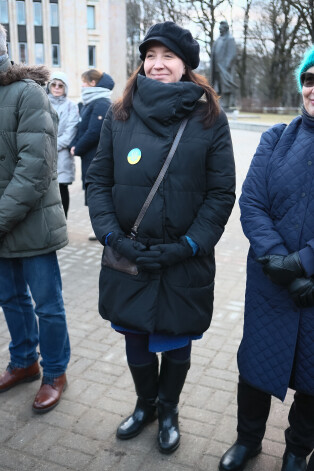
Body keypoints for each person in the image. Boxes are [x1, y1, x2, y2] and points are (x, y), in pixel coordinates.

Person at [86, 21, 235, 454]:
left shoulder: (210, 118)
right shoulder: (119, 114)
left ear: (186, 65)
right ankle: (145, 404)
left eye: (168, 56)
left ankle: (168, 409)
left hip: (183, 258)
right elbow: (98, 183)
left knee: (175, 338)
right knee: (134, 336)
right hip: (128, 255)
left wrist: (188, 245)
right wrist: (113, 237)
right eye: (150, 55)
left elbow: (221, 192)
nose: (157, 64)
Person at [219, 46, 314, 471]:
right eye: (310, 78)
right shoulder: (275, 137)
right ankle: (247, 440)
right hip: (270, 280)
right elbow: (252, 202)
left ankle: (297, 450)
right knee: (256, 364)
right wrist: (280, 261)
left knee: (313, 379)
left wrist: (304, 263)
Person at [0, 24, 70, 413]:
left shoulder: (27, 92)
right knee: (10, 299)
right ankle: (24, 362)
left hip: (31, 222)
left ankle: (56, 372)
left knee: (47, 304)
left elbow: (35, 169)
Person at [70, 69, 114, 214]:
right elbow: (81, 128)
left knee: (96, 191)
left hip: (96, 156)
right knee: (91, 190)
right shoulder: (89, 103)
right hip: (89, 156)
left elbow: (94, 132)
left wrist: (77, 147)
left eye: (84, 82)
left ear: (93, 83)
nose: (82, 85)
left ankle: (98, 226)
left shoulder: (101, 103)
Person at [48, 71, 79, 218]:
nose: (56, 88)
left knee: (61, 189)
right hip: (42, 153)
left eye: (60, 85)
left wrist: (51, 145)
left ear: (65, 88)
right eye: (53, 84)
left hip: (62, 155)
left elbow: (70, 131)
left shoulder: (71, 106)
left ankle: (63, 222)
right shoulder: (42, 102)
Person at [210, 20, 237, 109]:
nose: (220, 30)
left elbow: (232, 54)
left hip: (224, 68)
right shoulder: (218, 40)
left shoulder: (230, 39)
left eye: (221, 28)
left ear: (225, 29)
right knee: (217, 85)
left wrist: (227, 65)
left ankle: (226, 104)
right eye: (219, 29)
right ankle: (217, 102)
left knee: (226, 85)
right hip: (216, 67)